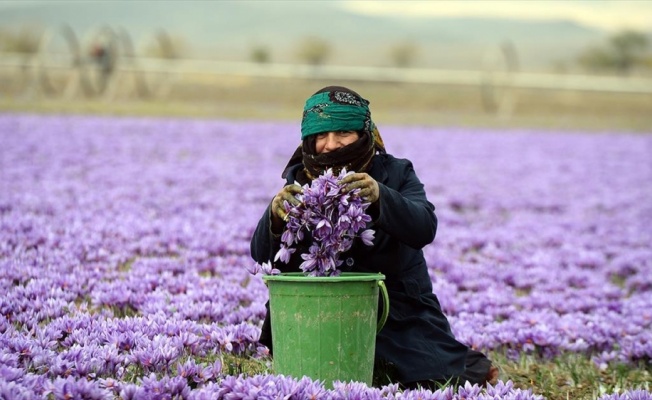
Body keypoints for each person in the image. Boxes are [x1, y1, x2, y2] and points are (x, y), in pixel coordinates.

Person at [250, 85, 499, 389]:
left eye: (343, 133)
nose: (330, 145)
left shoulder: (395, 172)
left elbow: (424, 226)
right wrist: (274, 218)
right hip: (320, 309)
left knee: (437, 373)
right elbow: (263, 256)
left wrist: (381, 196)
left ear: (364, 133)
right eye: (320, 136)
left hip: (396, 309)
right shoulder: (300, 180)